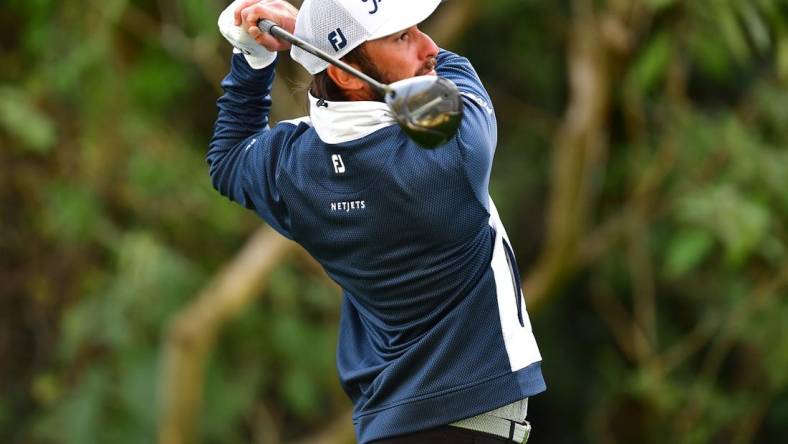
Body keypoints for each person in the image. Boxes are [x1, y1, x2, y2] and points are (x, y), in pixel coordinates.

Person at [209, 0, 546, 442]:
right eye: (401, 36)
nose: (426, 44)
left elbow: (229, 158)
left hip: (386, 428)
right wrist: (310, 38)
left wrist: (253, 57)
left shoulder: (293, 168)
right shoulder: (455, 149)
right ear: (346, 74)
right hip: (474, 426)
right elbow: (449, 67)